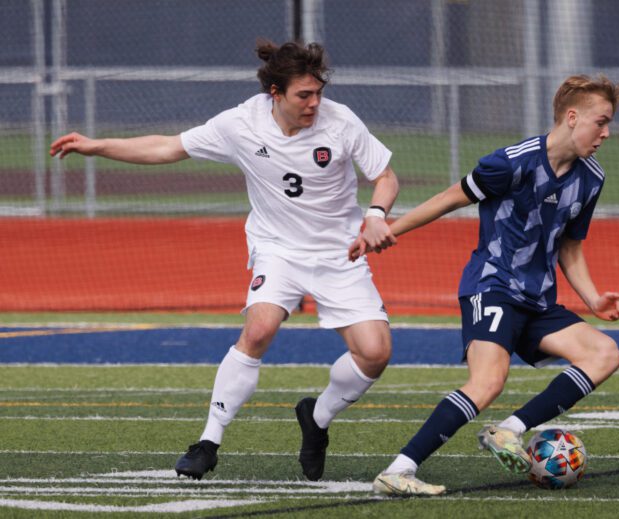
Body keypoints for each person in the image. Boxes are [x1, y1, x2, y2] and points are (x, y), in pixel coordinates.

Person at [50, 40, 399, 482]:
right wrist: (97, 146)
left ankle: (318, 418)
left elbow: (384, 175)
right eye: (303, 96)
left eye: (318, 93)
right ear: (275, 93)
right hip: (277, 248)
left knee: (375, 353)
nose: (314, 103)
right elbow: (166, 147)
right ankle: (207, 443)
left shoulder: (341, 121)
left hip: (339, 251)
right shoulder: (241, 124)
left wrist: (374, 215)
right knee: (259, 328)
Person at [349, 75, 619, 496]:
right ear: (572, 117)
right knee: (487, 382)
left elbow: (569, 244)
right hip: (492, 286)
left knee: (605, 353)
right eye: (601, 122)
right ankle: (398, 471)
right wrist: (389, 230)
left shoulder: (591, 178)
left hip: (537, 300)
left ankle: (508, 430)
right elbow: (449, 198)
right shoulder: (510, 163)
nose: (607, 133)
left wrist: (593, 298)